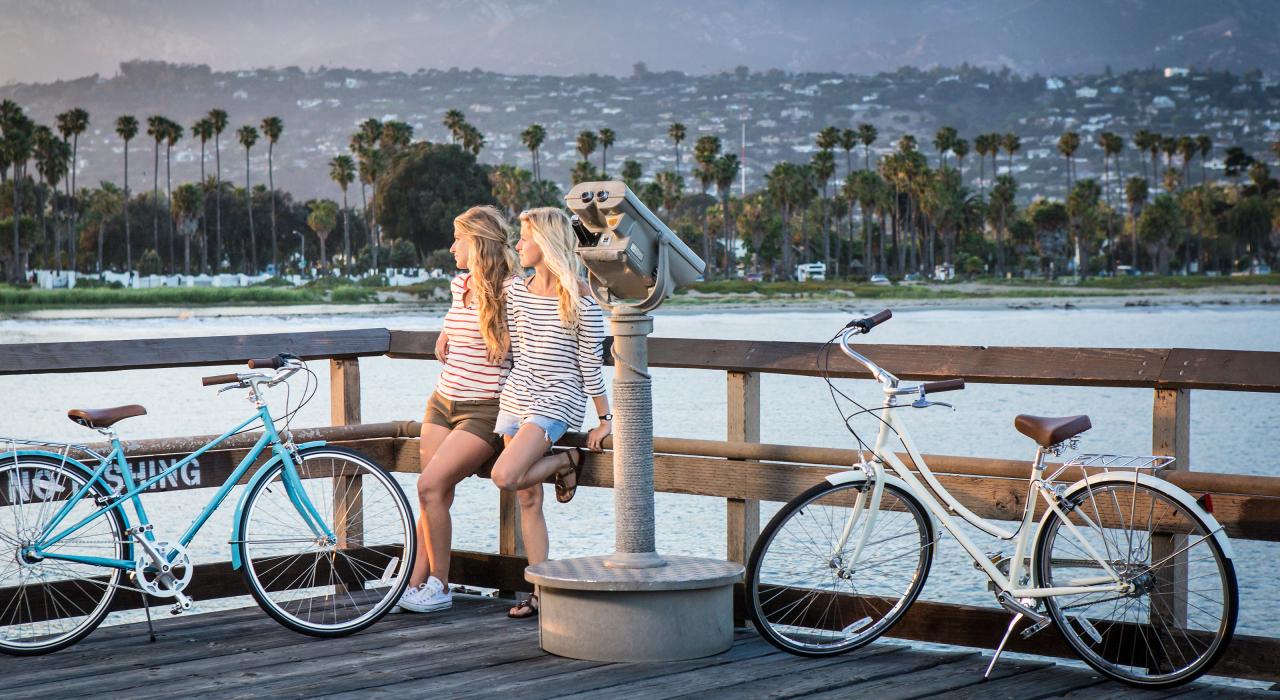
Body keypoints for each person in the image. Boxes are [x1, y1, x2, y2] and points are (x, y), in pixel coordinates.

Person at [489, 207, 611, 619]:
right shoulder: (517, 292)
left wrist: (604, 418)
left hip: (558, 397)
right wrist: (447, 332)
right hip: (518, 393)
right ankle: (538, 592)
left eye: (524, 238)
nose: (518, 246)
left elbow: (589, 364)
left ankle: (567, 459)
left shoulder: (581, 296)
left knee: (504, 475)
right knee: (526, 495)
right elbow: (515, 346)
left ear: (545, 242)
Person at [398, 205, 518, 614]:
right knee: (434, 493)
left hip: (484, 411)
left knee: (429, 487)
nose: (451, 248)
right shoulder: (459, 284)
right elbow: (459, 325)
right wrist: (445, 332)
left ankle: (439, 585)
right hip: (441, 402)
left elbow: (534, 347)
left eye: (458, 239)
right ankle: (414, 581)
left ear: (478, 243)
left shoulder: (512, 292)